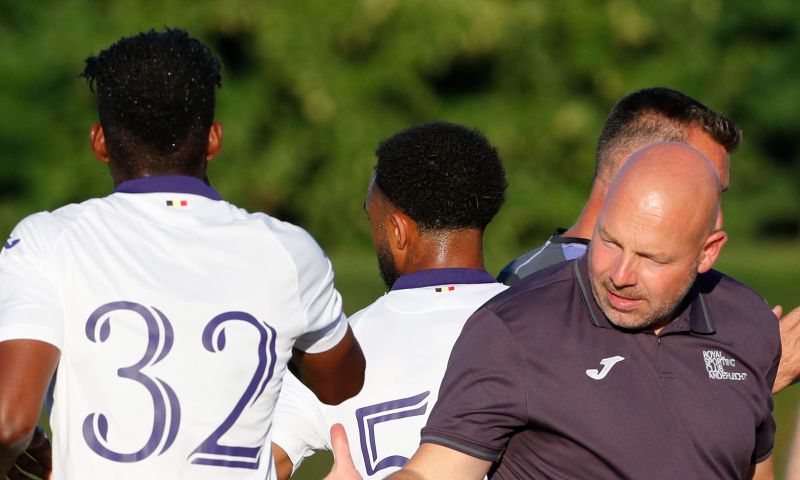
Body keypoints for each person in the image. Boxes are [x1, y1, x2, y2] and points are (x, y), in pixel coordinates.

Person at [0, 28, 364, 480]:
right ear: (213, 139)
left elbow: (9, 424)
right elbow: (342, 383)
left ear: (99, 142)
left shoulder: (47, 239)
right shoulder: (289, 250)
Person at [328, 142, 780, 479]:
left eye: (652, 259)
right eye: (610, 241)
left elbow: (753, 467)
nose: (620, 273)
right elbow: (437, 471)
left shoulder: (751, 324)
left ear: (707, 252)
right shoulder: (514, 329)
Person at [498, 86, 800, 395]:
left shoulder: (702, 292)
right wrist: (757, 383)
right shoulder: (533, 286)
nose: (718, 217)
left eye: (717, 195)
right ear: (635, 168)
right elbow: (601, 424)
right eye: (701, 185)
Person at [270, 121, 508, 479]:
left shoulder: (337, 351)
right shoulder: (541, 325)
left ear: (398, 231)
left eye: (372, 218)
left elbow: (259, 464)